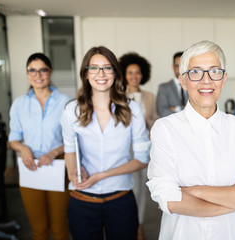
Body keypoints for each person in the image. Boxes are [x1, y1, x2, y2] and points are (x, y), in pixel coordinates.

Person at [146, 40, 235, 240]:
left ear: (224, 78)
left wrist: (193, 191)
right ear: (183, 81)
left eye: (214, 71)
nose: (206, 80)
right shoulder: (165, 129)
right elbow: (169, 200)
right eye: (195, 72)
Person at [60, 46, 150, 240]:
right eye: (94, 68)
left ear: (115, 73)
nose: (100, 74)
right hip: (82, 201)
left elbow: (142, 160)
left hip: (120, 201)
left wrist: (101, 176)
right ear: (85, 73)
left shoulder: (132, 109)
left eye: (107, 68)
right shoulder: (71, 110)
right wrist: (73, 171)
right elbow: (69, 150)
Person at [9, 53, 71, 240]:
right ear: (28, 74)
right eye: (32, 70)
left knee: (60, 228)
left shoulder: (65, 102)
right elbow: (13, 139)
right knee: (39, 229)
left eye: (42, 70)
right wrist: (23, 148)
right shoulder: (19, 104)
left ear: (50, 72)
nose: (38, 74)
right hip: (31, 167)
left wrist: (54, 152)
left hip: (58, 166)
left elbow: (73, 139)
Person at [119, 52, 158, 240]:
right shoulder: (118, 96)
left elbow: (155, 120)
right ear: (124, 75)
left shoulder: (149, 96)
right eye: (130, 73)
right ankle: (129, 224)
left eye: (137, 73)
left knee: (142, 189)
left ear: (143, 75)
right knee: (129, 188)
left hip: (145, 147)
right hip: (125, 150)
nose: (134, 76)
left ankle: (139, 225)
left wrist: (146, 122)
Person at [156, 51, 188, 118]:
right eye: (177, 66)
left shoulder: (194, 86)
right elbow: (162, 112)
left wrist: (176, 108)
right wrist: (185, 111)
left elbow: (197, 110)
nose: (180, 70)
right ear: (173, 67)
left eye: (182, 66)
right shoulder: (163, 88)